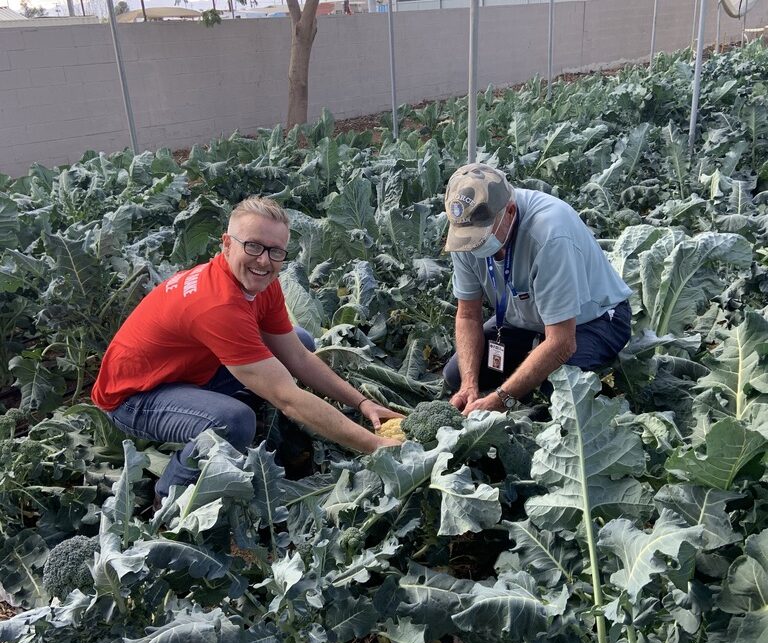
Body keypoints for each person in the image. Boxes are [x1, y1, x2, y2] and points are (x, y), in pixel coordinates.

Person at [91, 196, 402, 502]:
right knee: (233, 421)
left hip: (188, 374)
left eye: (275, 251)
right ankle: (170, 499)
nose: (264, 260)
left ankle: (272, 445)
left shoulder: (262, 284)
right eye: (252, 246)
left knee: (300, 341)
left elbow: (298, 358)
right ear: (227, 244)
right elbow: (288, 398)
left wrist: (363, 404)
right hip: (133, 397)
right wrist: (375, 446)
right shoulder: (217, 305)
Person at [442, 163, 632, 414]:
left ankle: (603, 400)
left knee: (560, 390)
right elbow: (467, 315)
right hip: (523, 321)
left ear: (510, 211)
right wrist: (469, 384)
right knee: (456, 375)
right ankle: (525, 369)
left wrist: (502, 399)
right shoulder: (465, 233)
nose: (474, 245)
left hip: (593, 321)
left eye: (483, 236)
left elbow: (562, 342)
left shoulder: (551, 233)